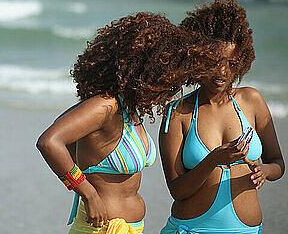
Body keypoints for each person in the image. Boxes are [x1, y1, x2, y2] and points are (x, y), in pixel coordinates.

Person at [36, 12, 219, 234]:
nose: (171, 84)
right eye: (168, 74)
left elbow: (66, 127)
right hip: (100, 229)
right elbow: (49, 142)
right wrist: (87, 192)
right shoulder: (106, 106)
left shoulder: (128, 108)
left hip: (132, 227)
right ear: (146, 69)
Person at [159, 0, 285, 234]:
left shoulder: (252, 100)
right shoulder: (177, 113)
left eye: (231, 63)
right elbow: (177, 190)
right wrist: (213, 160)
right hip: (192, 229)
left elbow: (277, 162)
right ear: (196, 58)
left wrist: (265, 171)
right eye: (214, 61)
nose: (223, 72)